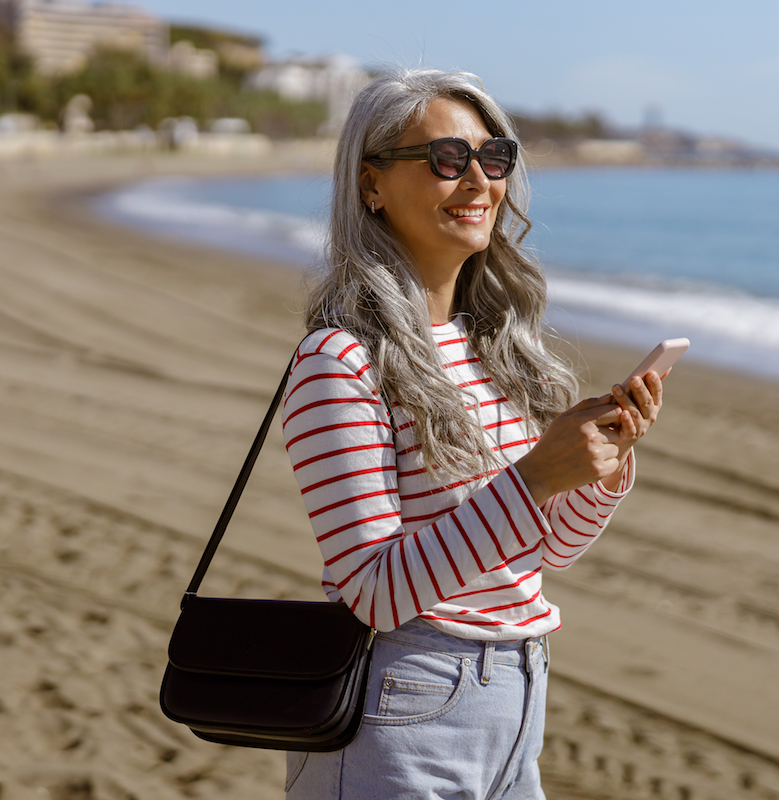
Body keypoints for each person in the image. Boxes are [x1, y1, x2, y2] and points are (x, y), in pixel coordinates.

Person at [280, 68, 664, 799]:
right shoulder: (339, 361)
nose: (478, 183)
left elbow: (547, 549)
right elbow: (373, 590)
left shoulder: (494, 350)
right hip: (400, 710)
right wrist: (535, 478)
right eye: (446, 161)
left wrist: (601, 468)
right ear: (372, 185)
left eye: (494, 159)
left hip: (518, 700)